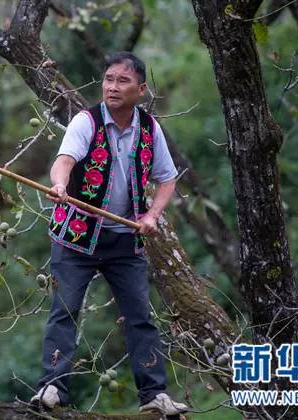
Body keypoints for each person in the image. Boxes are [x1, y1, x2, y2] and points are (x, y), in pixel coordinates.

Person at [29, 52, 189, 416]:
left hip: (124, 239)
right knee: (64, 310)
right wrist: (59, 184)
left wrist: (152, 215)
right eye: (108, 80)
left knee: (140, 316)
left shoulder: (149, 128)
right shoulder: (86, 122)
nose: (113, 87)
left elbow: (167, 177)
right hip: (77, 238)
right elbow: (64, 161)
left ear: (141, 89)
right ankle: (52, 387)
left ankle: (154, 395)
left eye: (122, 81)